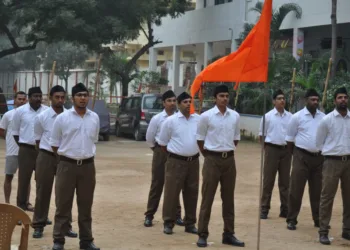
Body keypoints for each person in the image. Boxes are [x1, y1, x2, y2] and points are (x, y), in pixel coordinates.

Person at [50, 83, 100, 250]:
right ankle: (58, 240)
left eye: (85, 95)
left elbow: (94, 140)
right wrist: (68, 158)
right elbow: (55, 144)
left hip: (87, 166)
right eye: (79, 95)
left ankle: (86, 241)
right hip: (67, 165)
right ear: (73, 98)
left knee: (86, 205)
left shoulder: (94, 117)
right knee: (63, 205)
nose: (83, 98)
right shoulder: (62, 118)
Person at [196, 85, 244, 248]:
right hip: (212, 160)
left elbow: (236, 139)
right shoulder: (206, 116)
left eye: (227, 96)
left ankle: (229, 234)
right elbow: (200, 140)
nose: (225, 98)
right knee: (207, 198)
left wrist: (226, 152)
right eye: (221, 96)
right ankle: (202, 234)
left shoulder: (235, 116)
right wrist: (210, 156)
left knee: (229, 199)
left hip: (229, 160)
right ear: (215, 98)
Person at [32, 86, 77, 239]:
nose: (60, 100)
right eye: (57, 97)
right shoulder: (42, 117)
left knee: (65, 193)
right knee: (42, 191)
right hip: (46, 156)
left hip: (65, 157)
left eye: (62, 97)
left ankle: (66, 226)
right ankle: (38, 224)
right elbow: (37, 139)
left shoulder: (71, 116)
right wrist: (47, 155)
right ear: (50, 97)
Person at [159, 92, 200, 235]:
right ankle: (168, 223)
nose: (188, 104)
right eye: (185, 102)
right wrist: (175, 154)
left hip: (193, 161)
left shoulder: (198, 120)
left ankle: (190, 223)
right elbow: (163, 143)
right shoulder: (171, 121)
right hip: (176, 161)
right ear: (179, 104)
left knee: (192, 193)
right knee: (171, 193)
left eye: (190, 101)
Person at [285, 89, 325, 230]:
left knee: (317, 190)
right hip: (301, 156)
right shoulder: (297, 117)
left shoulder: (323, 117)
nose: (315, 102)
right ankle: (291, 219)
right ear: (305, 100)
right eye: (312, 99)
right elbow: (289, 140)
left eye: (317, 100)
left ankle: (318, 219)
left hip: (319, 159)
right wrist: (296, 155)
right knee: (296, 189)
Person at [144, 90, 184, 227]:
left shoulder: (181, 118)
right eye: (169, 101)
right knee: (157, 184)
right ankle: (149, 215)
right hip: (160, 153)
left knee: (174, 185)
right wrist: (158, 150)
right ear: (163, 103)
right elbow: (149, 138)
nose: (172, 103)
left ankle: (177, 216)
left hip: (175, 154)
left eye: (174, 101)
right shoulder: (157, 119)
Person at [316, 87, 350, 245]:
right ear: (335, 100)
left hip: (348, 162)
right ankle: (323, 231)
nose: (343, 100)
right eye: (340, 97)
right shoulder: (327, 120)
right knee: (327, 197)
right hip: (331, 162)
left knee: (348, 198)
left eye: (345, 97)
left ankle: (347, 230)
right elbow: (318, 143)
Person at [12, 87, 47, 211]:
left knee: (42, 181)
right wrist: (23, 146)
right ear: (29, 97)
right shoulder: (20, 111)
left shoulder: (47, 111)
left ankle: (40, 212)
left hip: (42, 151)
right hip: (25, 150)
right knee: (23, 181)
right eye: (35, 96)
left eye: (40, 96)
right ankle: (20, 209)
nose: (38, 99)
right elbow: (15, 132)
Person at [259, 89, 292, 219]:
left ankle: (285, 209)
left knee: (285, 182)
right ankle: (264, 209)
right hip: (271, 149)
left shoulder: (290, 117)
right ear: (274, 101)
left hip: (286, 151)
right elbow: (261, 136)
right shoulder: (267, 116)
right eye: (279, 98)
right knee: (268, 180)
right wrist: (266, 150)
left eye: (283, 98)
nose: (282, 100)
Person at [0, 91, 27, 204]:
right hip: (12, 151)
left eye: (23, 99)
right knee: (9, 177)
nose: (21, 101)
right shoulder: (8, 115)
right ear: (15, 100)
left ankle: (24, 203)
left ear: (26, 100)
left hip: (27, 152)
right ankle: (7, 203)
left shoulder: (29, 115)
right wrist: (10, 140)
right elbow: (1, 130)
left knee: (26, 179)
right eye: (19, 99)